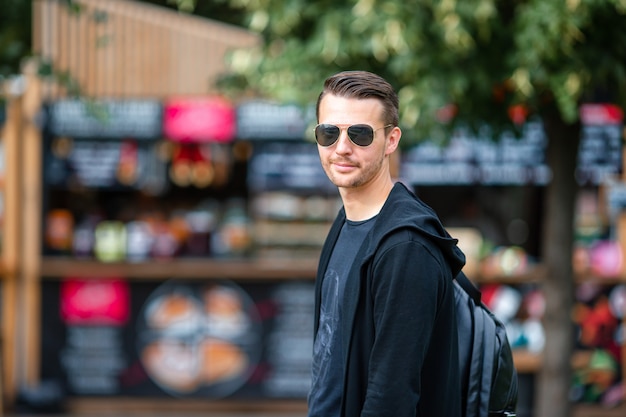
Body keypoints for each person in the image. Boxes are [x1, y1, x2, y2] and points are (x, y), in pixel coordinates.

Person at [308, 70, 465, 417]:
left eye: (361, 134)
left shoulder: (406, 247)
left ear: (391, 140)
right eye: (328, 132)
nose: (342, 148)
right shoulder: (346, 224)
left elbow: (391, 396)